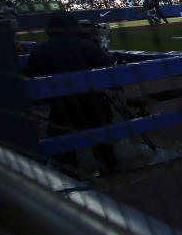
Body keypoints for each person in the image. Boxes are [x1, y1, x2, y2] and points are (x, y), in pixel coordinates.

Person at [24, 11, 118, 174]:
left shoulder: (39, 50)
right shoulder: (88, 45)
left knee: (61, 144)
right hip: (93, 104)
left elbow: (31, 76)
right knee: (102, 138)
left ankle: (69, 170)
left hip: (61, 108)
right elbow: (107, 71)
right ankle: (108, 164)